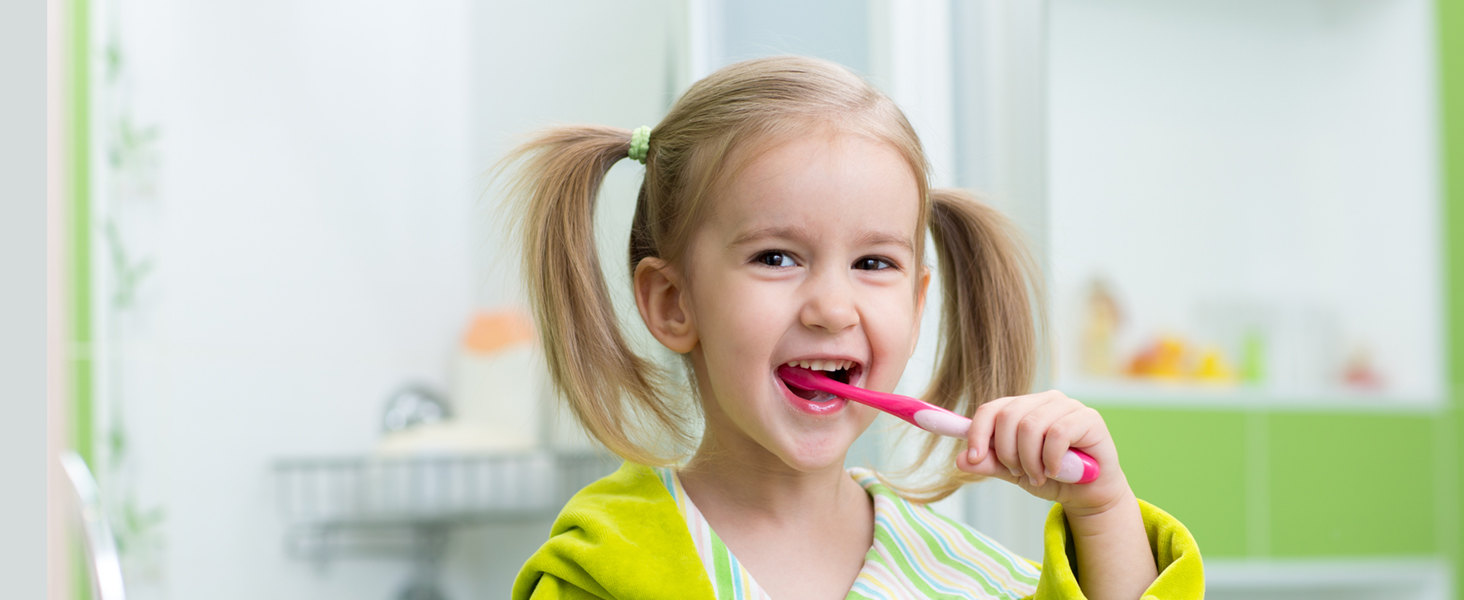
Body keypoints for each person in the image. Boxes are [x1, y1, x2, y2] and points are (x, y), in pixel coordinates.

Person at [503, 55, 1201, 599]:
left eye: (873, 262)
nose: (833, 308)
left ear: (918, 301)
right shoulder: (598, 570)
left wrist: (1103, 510)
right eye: (775, 257)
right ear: (672, 303)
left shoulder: (967, 577)